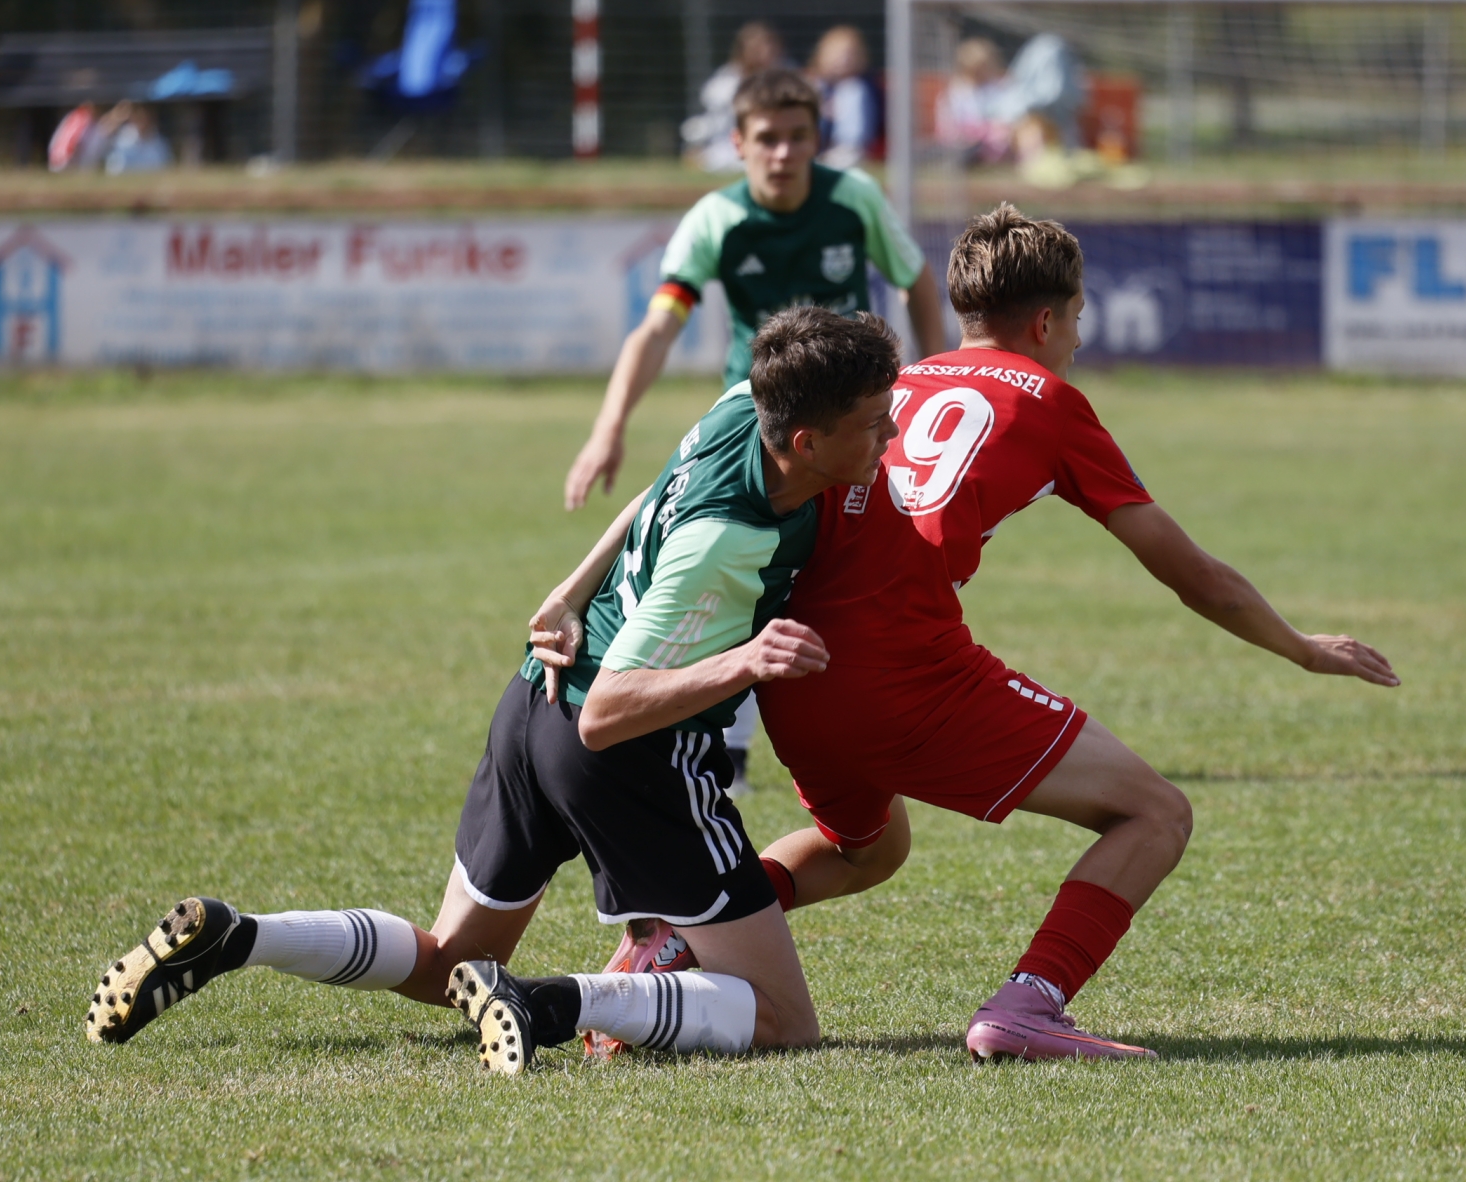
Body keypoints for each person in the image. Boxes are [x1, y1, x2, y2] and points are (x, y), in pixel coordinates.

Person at [623, 205, 1398, 1061]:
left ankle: (680, 941)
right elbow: (1195, 578)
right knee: (1155, 813)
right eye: (1077, 316)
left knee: (865, 850)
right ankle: (1029, 1007)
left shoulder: (889, 384)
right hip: (903, 671)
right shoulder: (1055, 403)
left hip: (792, 673)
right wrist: (1301, 647)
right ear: (1045, 322)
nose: (1079, 337)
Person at [83, 308, 902, 1071]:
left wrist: (569, 590)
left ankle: (239, 936)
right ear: (804, 440)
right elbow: (609, 715)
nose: (891, 432)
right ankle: (547, 1004)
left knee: (448, 962)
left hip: (533, 705)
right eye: (874, 423)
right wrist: (744, 661)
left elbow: (654, 495)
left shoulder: (741, 405)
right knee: (782, 1020)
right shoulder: (728, 542)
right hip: (622, 752)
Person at [566, 67, 945, 789]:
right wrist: (608, 427)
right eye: (767, 138)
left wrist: (928, 378)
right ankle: (729, 747)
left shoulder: (853, 198)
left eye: (799, 136)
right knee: (745, 580)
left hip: (851, 433)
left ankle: (877, 729)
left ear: (818, 139)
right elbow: (659, 326)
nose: (783, 153)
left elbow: (916, 280)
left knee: (868, 574)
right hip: (761, 437)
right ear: (738, 143)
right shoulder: (716, 218)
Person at [682, 22, 787, 172]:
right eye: (758, 47)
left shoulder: (787, 78)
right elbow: (714, 122)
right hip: (728, 149)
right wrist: (697, 144)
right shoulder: (726, 82)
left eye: (770, 45)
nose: (766, 51)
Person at [808, 25, 880, 169]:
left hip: (848, 147)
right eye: (838, 55)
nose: (844, 61)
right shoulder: (817, 84)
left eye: (850, 55)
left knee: (852, 89)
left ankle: (847, 152)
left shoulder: (863, 86)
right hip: (817, 143)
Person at [935, 37, 1014, 165]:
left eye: (984, 67)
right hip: (963, 140)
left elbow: (1006, 114)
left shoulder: (998, 87)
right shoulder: (956, 91)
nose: (980, 73)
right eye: (976, 69)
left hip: (992, 138)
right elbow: (949, 125)